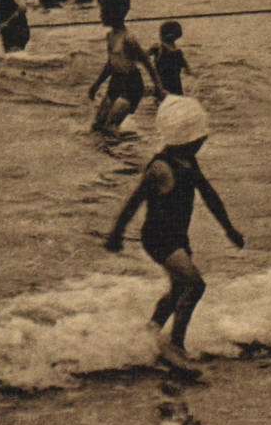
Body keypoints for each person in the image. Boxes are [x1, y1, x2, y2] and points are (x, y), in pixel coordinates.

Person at [104, 96, 244, 374]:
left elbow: (210, 196)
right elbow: (135, 201)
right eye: (199, 138)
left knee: (179, 288)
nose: (202, 142)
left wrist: (229, 229)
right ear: (184, 138)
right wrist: (116, 233)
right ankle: (175, 346)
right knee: (195, 285)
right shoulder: (160, 167)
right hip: (159, 238)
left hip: (177, 236)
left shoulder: (189, 162)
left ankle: (151, 335)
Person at [89, 0, 163, 132]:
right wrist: (96, 85)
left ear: (114, 14)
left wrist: (158, 87)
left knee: (110, 127)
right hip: (116, 82)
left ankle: (123, 152)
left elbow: (146, 62)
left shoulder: (129, 39)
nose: (100, 16)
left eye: (103, 12)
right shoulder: (110, 36)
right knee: (97, 126)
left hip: (132, 85)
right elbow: (110, 64)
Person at [149, 21, 193, 97]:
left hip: (162, 87)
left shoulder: (158, 48)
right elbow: (188, 70)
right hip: (175, 87)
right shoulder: (177, 52)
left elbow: (142, 56)